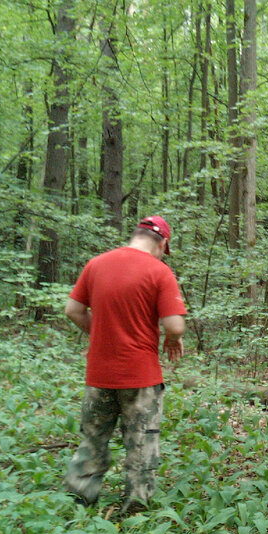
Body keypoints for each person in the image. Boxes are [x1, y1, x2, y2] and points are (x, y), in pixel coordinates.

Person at [64, 215, 186, 516]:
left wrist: (101, 333)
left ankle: (80, 500)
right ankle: (135, 507)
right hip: (140, 375)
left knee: (93, 438)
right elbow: (175, 324)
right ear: (163, 243)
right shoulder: (159, 271)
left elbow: (73, 310)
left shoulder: (96, 264)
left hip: (99, 374)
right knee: (142, 443)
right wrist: (172, 338)